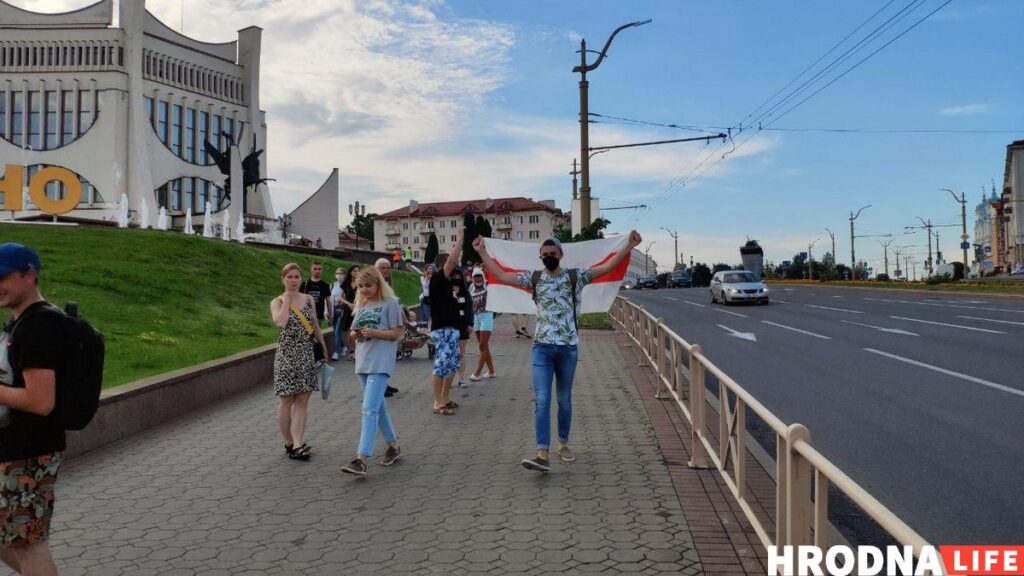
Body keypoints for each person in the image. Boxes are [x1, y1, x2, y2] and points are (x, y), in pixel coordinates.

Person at [474, 232, 641, 472]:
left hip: (567, 349)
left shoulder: (576, 277)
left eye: (553, 254)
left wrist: (629, 245)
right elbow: (500, 275)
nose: (549, 257)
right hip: (542, 348)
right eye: (545, 255)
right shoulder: (534, 278)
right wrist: (482, 251)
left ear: (561, 255)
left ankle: (563, 443)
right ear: (540, 257)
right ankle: (542, 453)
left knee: (563, 400)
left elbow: (607, 267)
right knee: (542, 400)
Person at [0, 243, 63, 576]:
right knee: (17, 543)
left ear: (30, 275)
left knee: (28, 548)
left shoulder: (38, 327)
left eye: (3, 277)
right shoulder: (22, 323)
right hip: (16, 448)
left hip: (28, 452)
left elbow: (41, 402)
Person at [340, 267, 404, 476]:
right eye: (360, 286)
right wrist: (355, 335)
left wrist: (374, 332)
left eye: (368, 285)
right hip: (363, 363)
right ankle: (393, 447)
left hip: (381, 362)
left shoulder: (390, 303)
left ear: (378, 284)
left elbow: (397, 333)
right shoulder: (362, 305)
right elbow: (351, 334)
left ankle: (361, 458)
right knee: (379, 408)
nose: (364, 290)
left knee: (368, 410)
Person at [270, 263, 328, 461]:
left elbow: (315, 326)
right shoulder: (277, 301)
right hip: (286, 356)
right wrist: (287, 300)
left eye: (297, 277)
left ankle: (297, 443)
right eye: (290, 277)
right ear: (283, 279)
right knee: (286, 400)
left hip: (305, 354)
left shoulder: (309, 299)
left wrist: (323, 346)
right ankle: (288, 441)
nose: (294, 281)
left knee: (303, 400)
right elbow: (280, 322)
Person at [428, 228, 464, 416]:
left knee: (452, 364)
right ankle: (437, 402)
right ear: (443, 266)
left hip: (452, 329)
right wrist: (460, 239)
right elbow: (451, 259)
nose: (455, 266)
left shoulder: (447, 283)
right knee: (441, 364)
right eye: (453, 264)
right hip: (442, 330)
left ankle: (445, 397)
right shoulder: (437, 278)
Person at [373, 258, 400, 397]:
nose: (385, 270)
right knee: (380, 358)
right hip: (379, 325)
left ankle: (385, 383)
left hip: (390, 325)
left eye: (388, 268)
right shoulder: (373, 285)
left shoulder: (389, 284)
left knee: (388, 357)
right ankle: (380, 387)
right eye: (382, 268)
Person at [468, 268, 496, 381]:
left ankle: (477, 372)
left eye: (479, 275)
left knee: (482, 345)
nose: (478, 278)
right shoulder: (471, 287)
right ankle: (491, 371)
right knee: (484, 346)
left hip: (487, 315)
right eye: (475, 276)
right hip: (475, 317)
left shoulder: (488, 285)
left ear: (483, 276)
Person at [452, 267, 474, 389]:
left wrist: (470, 323)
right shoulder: (446, 291)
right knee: (450, 353)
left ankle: (461, 378)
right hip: (450, 326)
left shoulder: (465, 292)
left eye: (459, 276)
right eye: (454, 276)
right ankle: (447, 379)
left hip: (462, 325)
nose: (457, 279)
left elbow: (470, 309)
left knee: (461, 353)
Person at [339, 265, 360, 360]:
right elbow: (340, 297)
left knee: (356, 330)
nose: (356, 273)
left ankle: (358, 351)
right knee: (349, 331)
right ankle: (351, 351)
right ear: (350, 272)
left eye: (358, 271)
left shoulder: (361, 282)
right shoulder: (345, 284)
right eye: (354, 271)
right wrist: (348, 304)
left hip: (359, 309)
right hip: (348, 309)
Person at [419, 264, 433, 329]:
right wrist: (427, 277)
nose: (430, 270)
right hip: (425, 298)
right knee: (426, 316)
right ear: (426, 270)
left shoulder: (433, 277)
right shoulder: (422, 277)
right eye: (429, 269)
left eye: (431, 268)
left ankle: (433, 329)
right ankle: (425, 329)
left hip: (432, 298)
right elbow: (425, 286)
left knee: (432, 315)